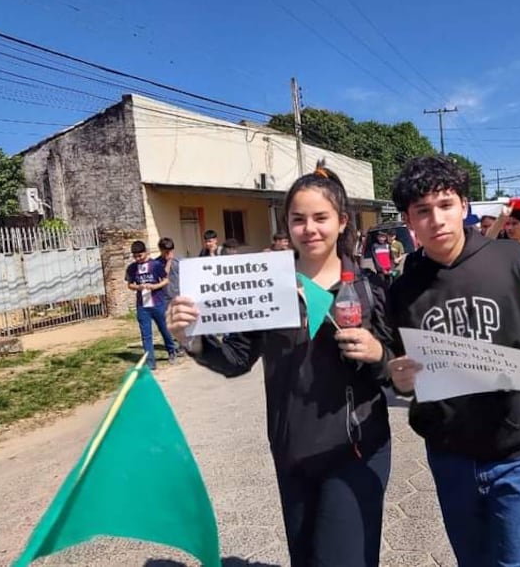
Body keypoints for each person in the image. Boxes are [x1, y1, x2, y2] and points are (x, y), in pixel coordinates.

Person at [167, 162, 394, 567]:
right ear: (287, 224)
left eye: (321, 218)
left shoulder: (369, 288)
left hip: (356, 450)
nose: (310, 229)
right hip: (292, 450)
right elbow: (237, 359)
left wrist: (378, 355)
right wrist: (195, 341)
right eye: (298, 219)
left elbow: (399, 371)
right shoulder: (268, 285)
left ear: (342, 221)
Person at [386, 155, 520, 566]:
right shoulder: (403, 288)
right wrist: (399, 379)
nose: (436, 219)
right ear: (409, 220)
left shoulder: (512, 260)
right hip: (450, 455)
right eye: (422, 211)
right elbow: (398, 366)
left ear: (464, 206)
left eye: (445, 205)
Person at [125, 240, 178, 369]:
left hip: (157, 303)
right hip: (142, 306)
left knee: (164, 329)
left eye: (140, 255)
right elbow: (130, 285)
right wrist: (138, 287)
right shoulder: (132, 268)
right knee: (146, 334)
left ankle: (172, 350)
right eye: (135, 256)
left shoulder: (155, 265)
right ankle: (150, 362)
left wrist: (154, 286)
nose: (138, 258)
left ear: (146, 252)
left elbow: (165, 280)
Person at [157, 237, 185, 357]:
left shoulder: (180, 261)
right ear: (161, 250)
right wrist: (168, 262)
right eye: (166, 251)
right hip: (165, 297)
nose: (168, 253)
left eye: (170, 251)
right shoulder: (157, 263)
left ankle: (183, 345)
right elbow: (162, 277)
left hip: (179, 295)